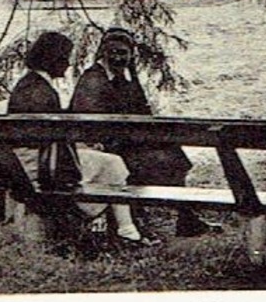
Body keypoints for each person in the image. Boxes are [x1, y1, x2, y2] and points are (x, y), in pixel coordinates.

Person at [8, 31, 158, 248]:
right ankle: (126, 230)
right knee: (113, 163)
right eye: (65, 58)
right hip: (39, 163)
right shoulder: (38, 90)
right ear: (52, 59)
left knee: (109, 161)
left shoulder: (32, 84)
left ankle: (126, 230)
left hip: (35, 156)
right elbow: (49, 135)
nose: (68, 64)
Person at [71, 27, 222, 238]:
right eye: (113, 52)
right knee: (156, 160)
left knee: (174, 156)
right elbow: (90, 124)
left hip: (125, 141)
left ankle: (186, 218)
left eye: (123, 53)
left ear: (131, 54)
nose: (118, 58)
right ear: (103, 52)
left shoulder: (125, 77)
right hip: (104, 146)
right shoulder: (93, 79)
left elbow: (143, 112)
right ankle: (138, 219)